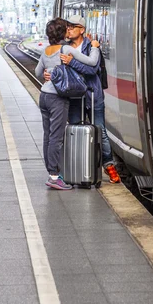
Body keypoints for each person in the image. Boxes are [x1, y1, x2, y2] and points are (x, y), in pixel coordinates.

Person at [35, 17, 100, 190]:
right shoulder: (66, 48)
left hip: (44, 96)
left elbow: (37, 72)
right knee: (56, 136)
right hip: (58, 98)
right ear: (62, 33)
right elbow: (92, 62)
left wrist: (46, 75)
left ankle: (52, 172)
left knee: (48, 136)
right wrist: (94, 48)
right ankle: (54, 176)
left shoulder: (46, 51)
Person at [54, 14, 121, 183]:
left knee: (100, 131)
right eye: (67, 26)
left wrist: (72, 63)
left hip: (93, 94)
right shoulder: (64, 48)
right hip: (74, 97)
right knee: (75, 129)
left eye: (72, 26)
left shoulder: (92, 47)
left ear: (81, 29)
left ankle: (109, 166)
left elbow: (92, 70)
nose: (68, 29)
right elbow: (60, 70)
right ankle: (78, 167)